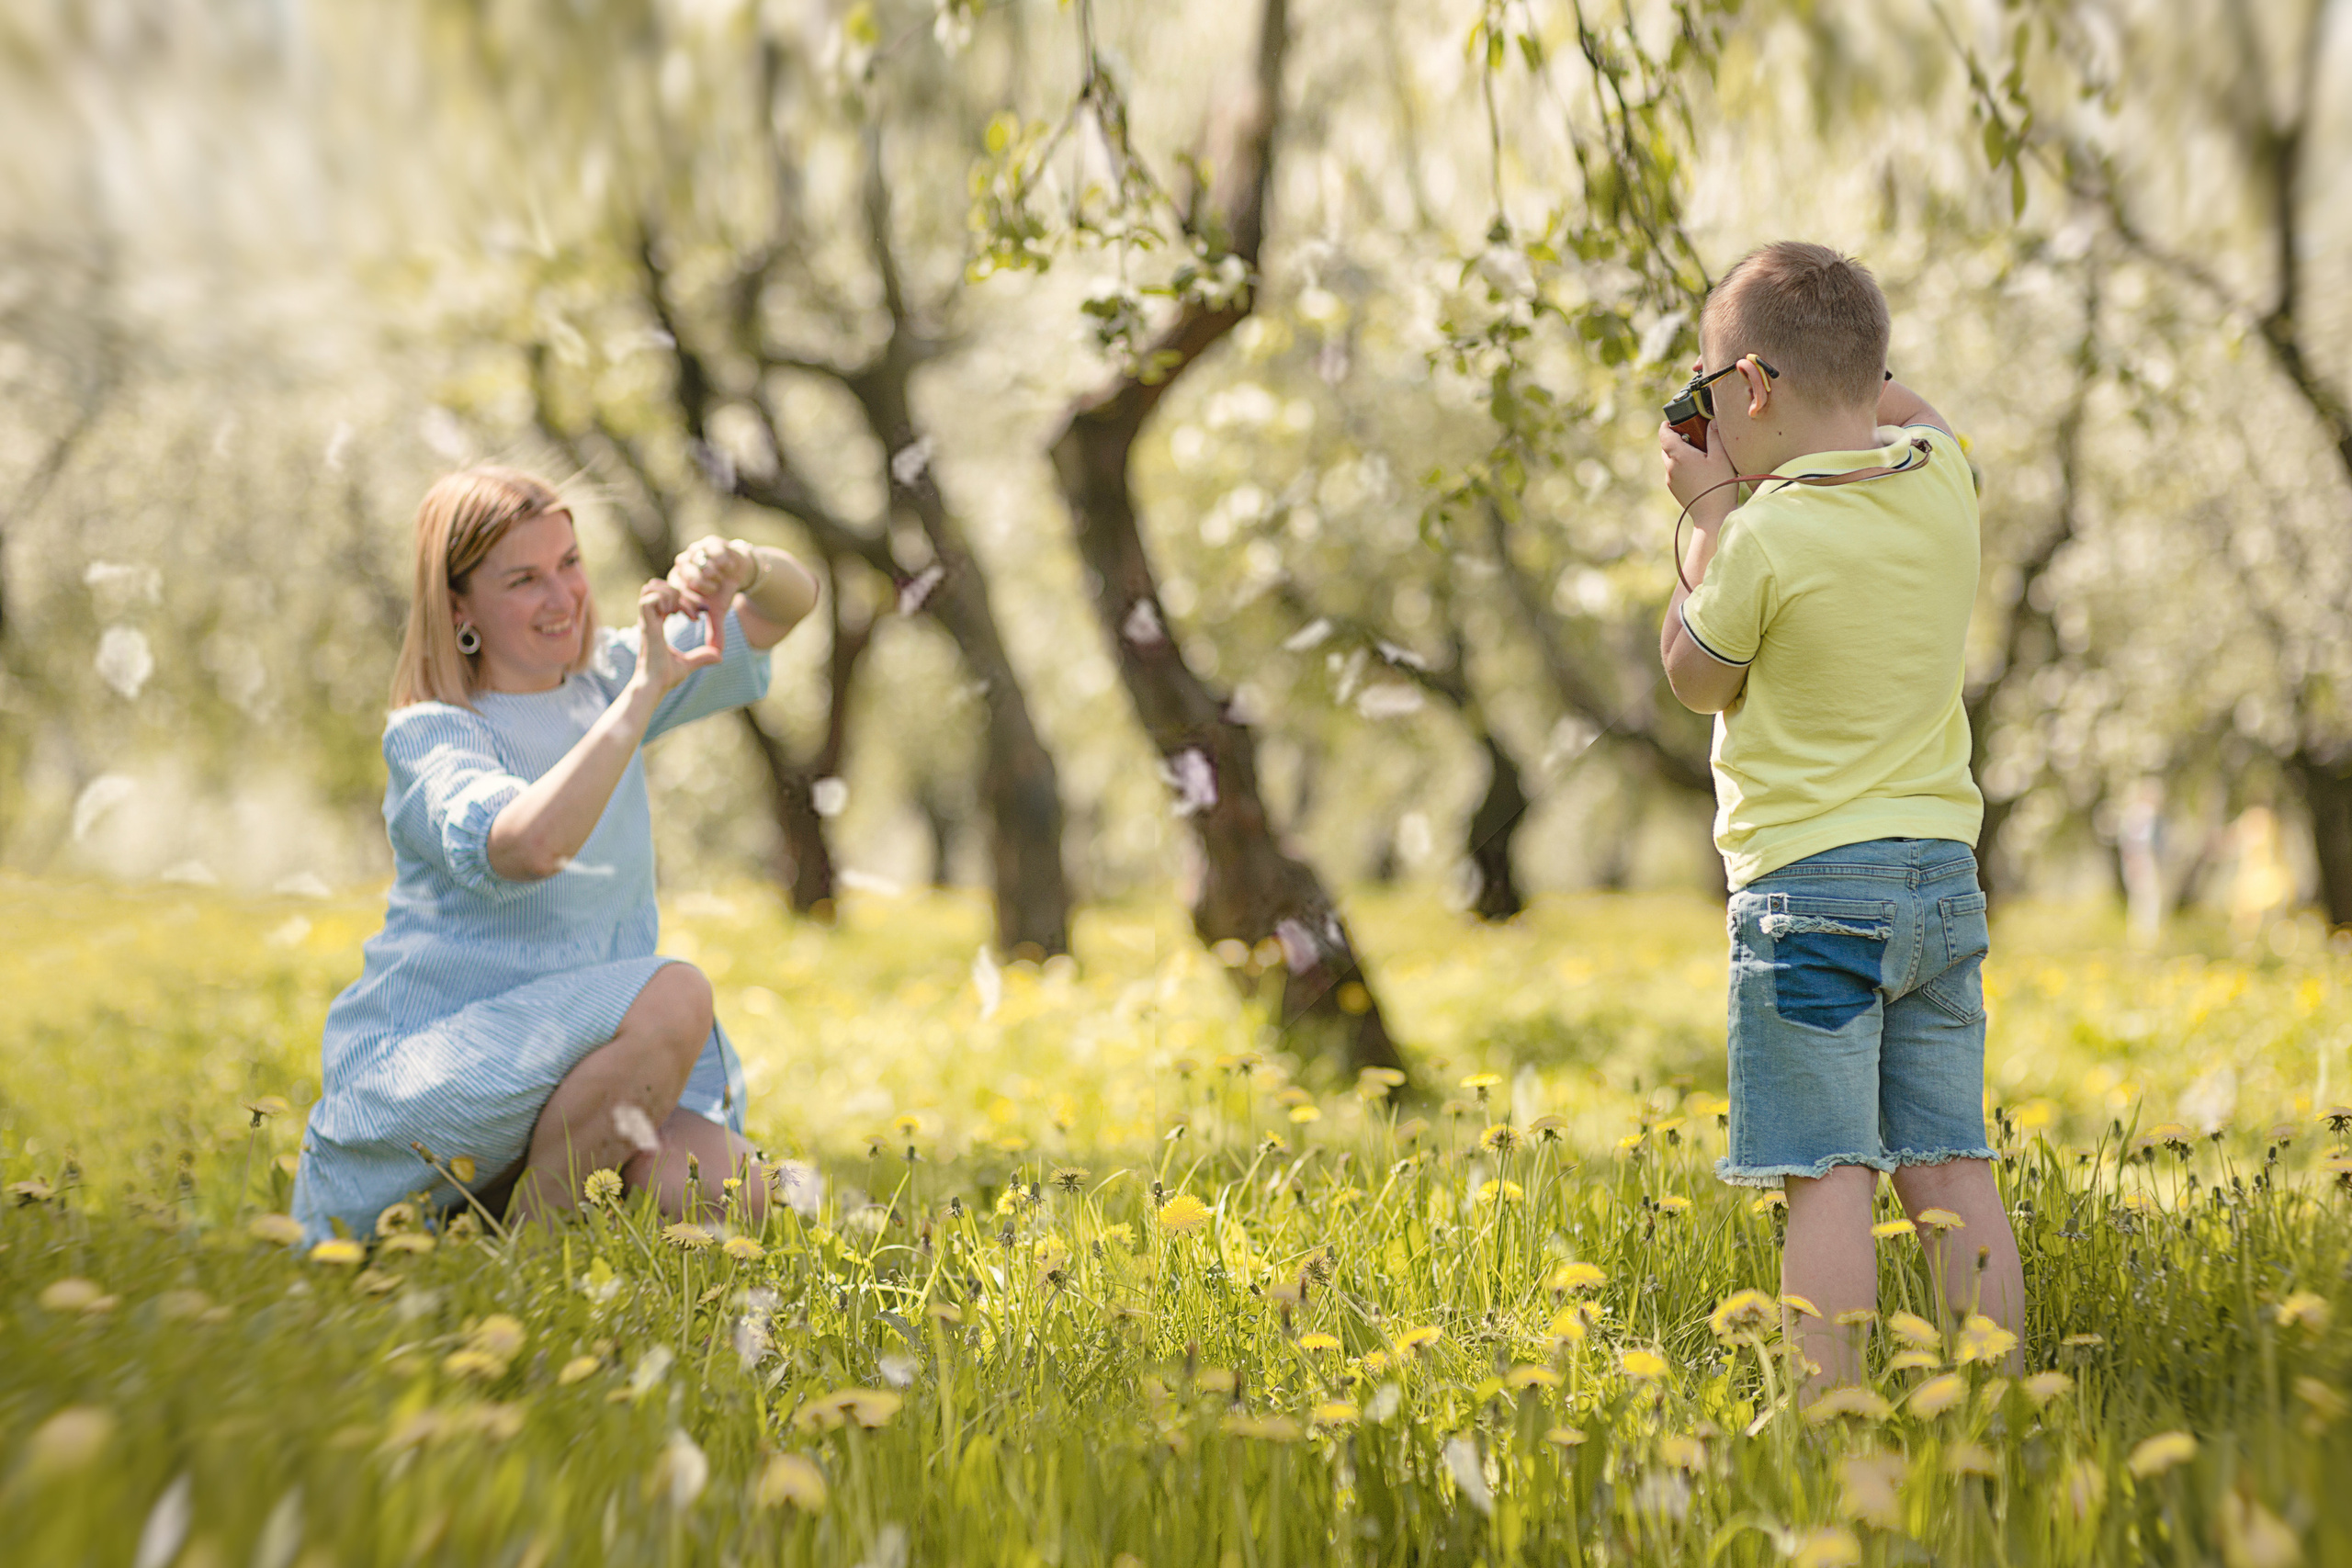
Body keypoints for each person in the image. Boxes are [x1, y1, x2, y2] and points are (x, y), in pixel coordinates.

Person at [1657, 242, 2024, 1393]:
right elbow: (1907, 407)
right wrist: (1847, 380)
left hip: (1810, 897)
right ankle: (2003, 1404)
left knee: (1826, 1176)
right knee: (1953, 1169)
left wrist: (1710, 509)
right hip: (1938, 884)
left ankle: (1835, 1423)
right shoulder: (1942, 479)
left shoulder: (1762, 538)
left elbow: (1692, 675)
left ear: (1750, 389)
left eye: (1715, 392)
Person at [291, 466, 819, 1242]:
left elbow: (787, 606)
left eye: (569, 562)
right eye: (525, 579)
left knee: (739, 1192)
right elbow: (529, 845)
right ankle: (532, 1270)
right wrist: (643, 696)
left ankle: (510, 1214)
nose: (564, 595)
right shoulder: (435, 731)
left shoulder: (606, 674)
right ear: (459, 605)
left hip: (573, 1073)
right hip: (435, 1080)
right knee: (675, 993)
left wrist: (744, 564)